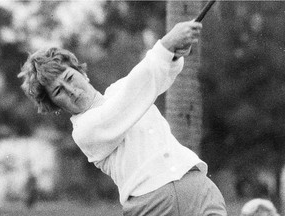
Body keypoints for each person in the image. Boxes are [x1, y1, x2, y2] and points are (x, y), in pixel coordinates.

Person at [18, 19, 227, 216]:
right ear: (55, 105)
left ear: (83, 73)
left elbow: (158, 77)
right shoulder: (84, 131)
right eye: (58, 92)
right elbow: (132, 95)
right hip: (154, 206)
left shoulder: (120, 89)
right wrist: (165, 45)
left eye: (69, 78)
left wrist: (174, 54)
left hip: (199, 189)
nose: (70, 90)